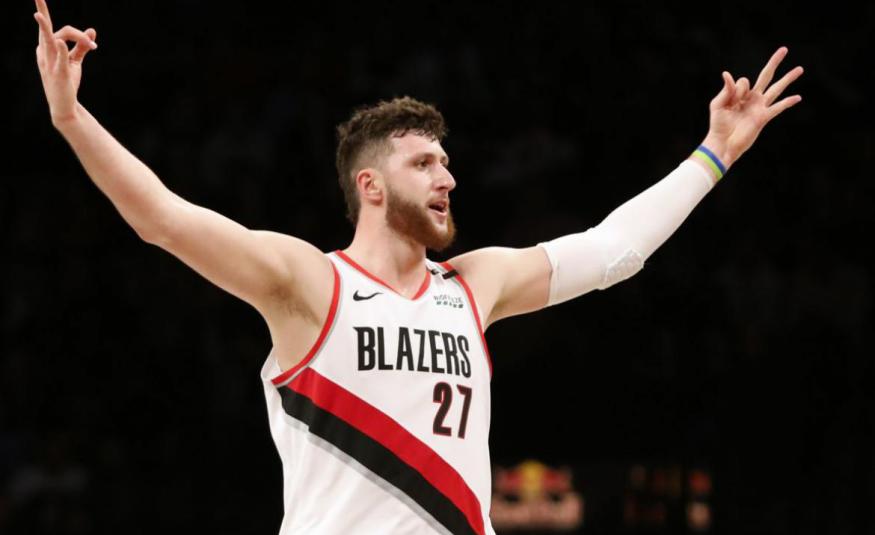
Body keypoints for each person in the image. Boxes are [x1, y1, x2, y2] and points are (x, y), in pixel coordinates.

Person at [32, 0, 803, 533]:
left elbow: (611, 252)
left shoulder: (474, 284)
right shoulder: (310, 283)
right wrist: (71, 116)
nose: (447, 177)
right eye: (424, 163)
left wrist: (714, 153)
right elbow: (163, 218)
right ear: (370, 185)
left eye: (447, 160)